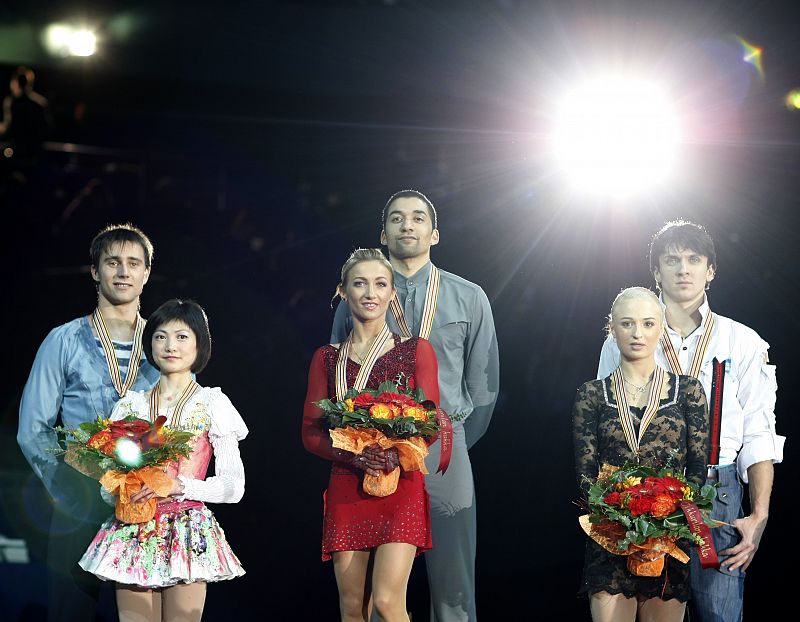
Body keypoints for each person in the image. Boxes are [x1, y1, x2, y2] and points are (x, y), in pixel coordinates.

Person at [597, 221, 785, 622]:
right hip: (646, 496)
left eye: (694, 259)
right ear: (656, 271)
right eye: (672, 260)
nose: (683, 269)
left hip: (718, 494)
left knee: (720, 616)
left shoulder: (742, 341)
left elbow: (760, 432)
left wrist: (759, 515)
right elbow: (607, 425)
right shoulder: (624, 339)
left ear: (710, 270)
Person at [331, 190, 499, 622]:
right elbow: (339, 380)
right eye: (397, 218)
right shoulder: (359, 297)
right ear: (382, 233)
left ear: (434, 233)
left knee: (453, 584)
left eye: (418, 217)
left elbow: (484, 390)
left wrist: (448, 444)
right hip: (373, 451)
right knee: (374, 591)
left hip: (443, 448)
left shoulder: (469, 296)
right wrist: (364, 444)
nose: (407, 224)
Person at [18, 223, 161, 622]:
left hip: (146, 504)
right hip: (80, 501)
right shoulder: (63, 340)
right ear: (95, 271)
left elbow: (188, 418)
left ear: (146, 273)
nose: (123, 271)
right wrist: (66, 487)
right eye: (112, 262)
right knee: (70, 612)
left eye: (133, 263)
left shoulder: (166, 343)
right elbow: (33, 428)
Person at [79, 298, 247, 622]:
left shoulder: (212, 403)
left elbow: (234, 486)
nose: (170, 345)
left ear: (200, 344)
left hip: (186, 528)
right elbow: (105, 487)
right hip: (132, 528)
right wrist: (124, 488)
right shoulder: (130, 406)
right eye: (160, 336)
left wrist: (178, 486)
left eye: (182, 336)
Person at [304, 248, 441, 622]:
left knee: (385, 602)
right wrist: (354, 456)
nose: (370, 293)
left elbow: (430, 421)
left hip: (401, 484)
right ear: (343, 291)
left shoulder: (416, 350)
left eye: (381, 284)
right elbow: (310, 433)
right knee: (352, 609)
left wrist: (395, 454)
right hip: (348, 484)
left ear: (392, 293)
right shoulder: (326, 358)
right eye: (360, 284)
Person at [574, 287, 710, 621]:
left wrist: (663, 521)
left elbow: (697, 469)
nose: (638, 333)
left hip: (667, 540)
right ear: (612, 329)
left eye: (648, 323)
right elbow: (586, 476)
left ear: (661, 328)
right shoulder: (591, 394)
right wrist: (622, 519)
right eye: (627, 323)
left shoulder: (689, 391)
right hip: (611, 541)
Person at [0, 65, 51, 162]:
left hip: (18, 152)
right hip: (34, 153)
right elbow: (47, 128)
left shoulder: (12, 102)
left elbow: (8, 129)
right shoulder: (41, 102)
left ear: (15, 82)